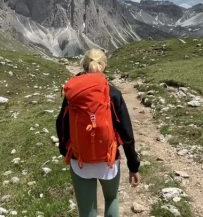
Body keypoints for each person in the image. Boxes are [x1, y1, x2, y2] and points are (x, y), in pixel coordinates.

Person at [56, 48, 140, 217]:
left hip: (80, 160)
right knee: (111, 199)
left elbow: (61, 123)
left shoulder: (73, 94)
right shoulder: (113, 93)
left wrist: (66, 151)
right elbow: (126, 133)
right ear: (105, 66)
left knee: (87, 210)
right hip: (108, 160)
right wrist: (133, 165)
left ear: (84, 65)